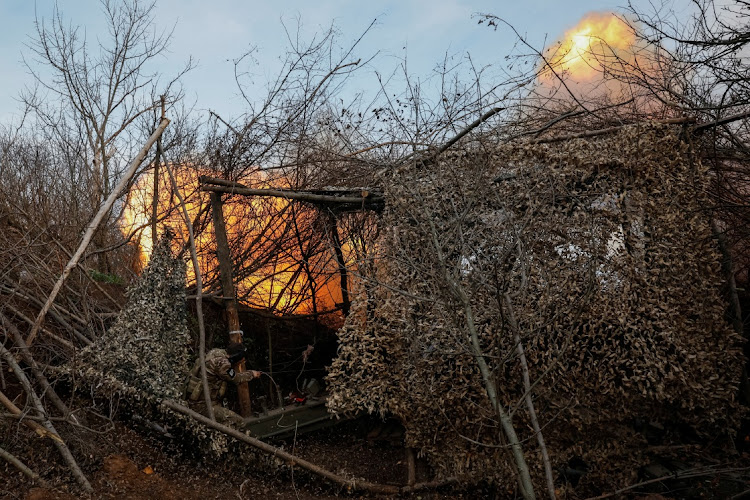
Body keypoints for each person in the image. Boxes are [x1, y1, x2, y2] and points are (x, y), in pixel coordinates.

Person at [184, 342, 261, 427]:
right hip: (202, 406)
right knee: (239, 422)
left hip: (201, 401)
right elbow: (235, 378)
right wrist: (251, 374)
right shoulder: (222, 363)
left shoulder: (215, 353)